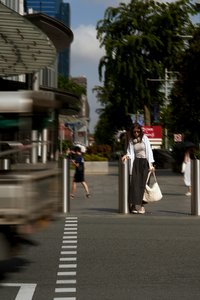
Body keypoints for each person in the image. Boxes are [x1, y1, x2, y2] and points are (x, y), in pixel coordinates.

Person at [122, 123, 155, 214]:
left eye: (138, 131)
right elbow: (130, 152)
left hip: (145, 163)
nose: (136, 133)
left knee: (144, 185)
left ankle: (142, 206)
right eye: (134, 131)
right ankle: (133, 206)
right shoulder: (132, 140)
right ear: (132, 132)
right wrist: (126, 156)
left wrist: (151, 165)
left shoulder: (145, 139)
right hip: (136, 163)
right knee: (134, 184)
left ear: (140, 131)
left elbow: (149, 151)